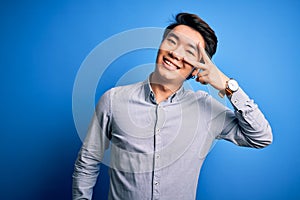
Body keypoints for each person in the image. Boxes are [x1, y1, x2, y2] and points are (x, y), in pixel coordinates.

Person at [72, 12, 273, 200]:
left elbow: (261, 137)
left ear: (198, 68)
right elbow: (87, 162)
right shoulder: (113, 100)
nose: (176, 53)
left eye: (189, 51)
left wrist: (227, 85)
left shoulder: (206, 109)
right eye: (172, 42)